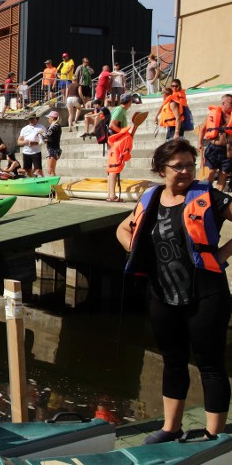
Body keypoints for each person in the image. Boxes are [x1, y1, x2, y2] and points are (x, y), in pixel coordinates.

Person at [117, 138, 232, 443]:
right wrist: (136, 250)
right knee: (172, 361)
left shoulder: (208, 195)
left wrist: (221, 255)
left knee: (210, 364)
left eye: (190, 165)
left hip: (206, 293)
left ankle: (213, 435)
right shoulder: (150, 198)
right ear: (161, 169)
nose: (185, 171)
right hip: (162, 293)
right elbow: (123, 228)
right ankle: (170, 427)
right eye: (177, 166)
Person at [106, 109, 148, 201]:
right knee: (113, 173)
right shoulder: (126, 136)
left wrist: (135, 126)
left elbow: (131, 136)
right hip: (117, 155)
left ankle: (109, 195)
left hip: (112, 153)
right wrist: (125, 158)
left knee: (110, 173)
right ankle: (112, 196)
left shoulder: (124, 135)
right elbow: (126, 150)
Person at [198, 94, 232, 190]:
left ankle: (219, 195)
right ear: (223, 103)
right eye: (230, 103)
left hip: (228, 149)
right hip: (214, 148)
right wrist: (199, 143)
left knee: (224, 173)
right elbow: (202, 129)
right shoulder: (212, 114)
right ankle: (206, 193)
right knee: (211, 172)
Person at [43, 111, 63, 176]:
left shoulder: (55, 126)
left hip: (53, 149)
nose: (48, 119)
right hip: (52, 149)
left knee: (50, 170)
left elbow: (46, 135)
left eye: (48, 118)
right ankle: (53, 185)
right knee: (50, 170)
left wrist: (41, 133)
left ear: (52, 118)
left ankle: (53, 185)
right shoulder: (53, 127)